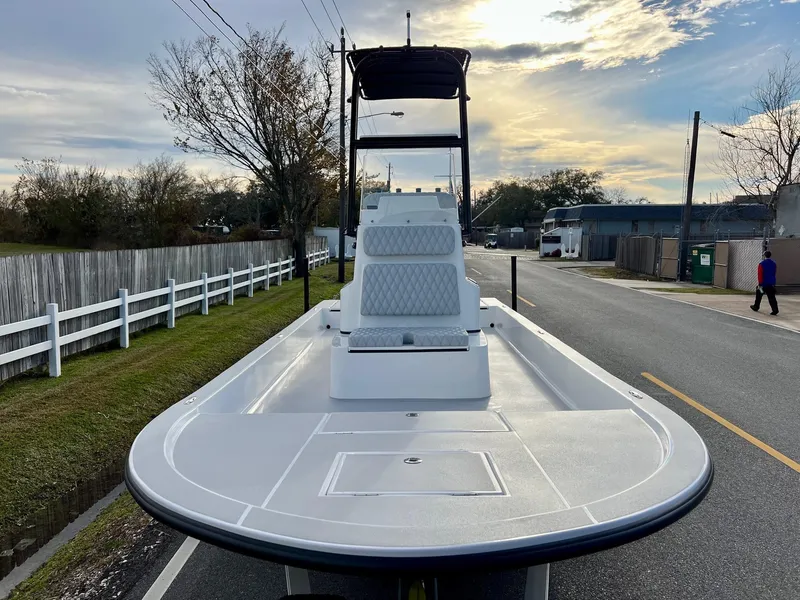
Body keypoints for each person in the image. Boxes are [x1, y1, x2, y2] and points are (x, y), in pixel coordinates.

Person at [750, 250, 779, 316]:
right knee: (772, 297)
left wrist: (760, 283)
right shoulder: (774, 263)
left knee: (759, 294)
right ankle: (775, 310)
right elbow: (774, 273)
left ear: (764, 256)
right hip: (771, 283)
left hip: (763, 283)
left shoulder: (761, 264)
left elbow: (760, 274)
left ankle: (756, 306)